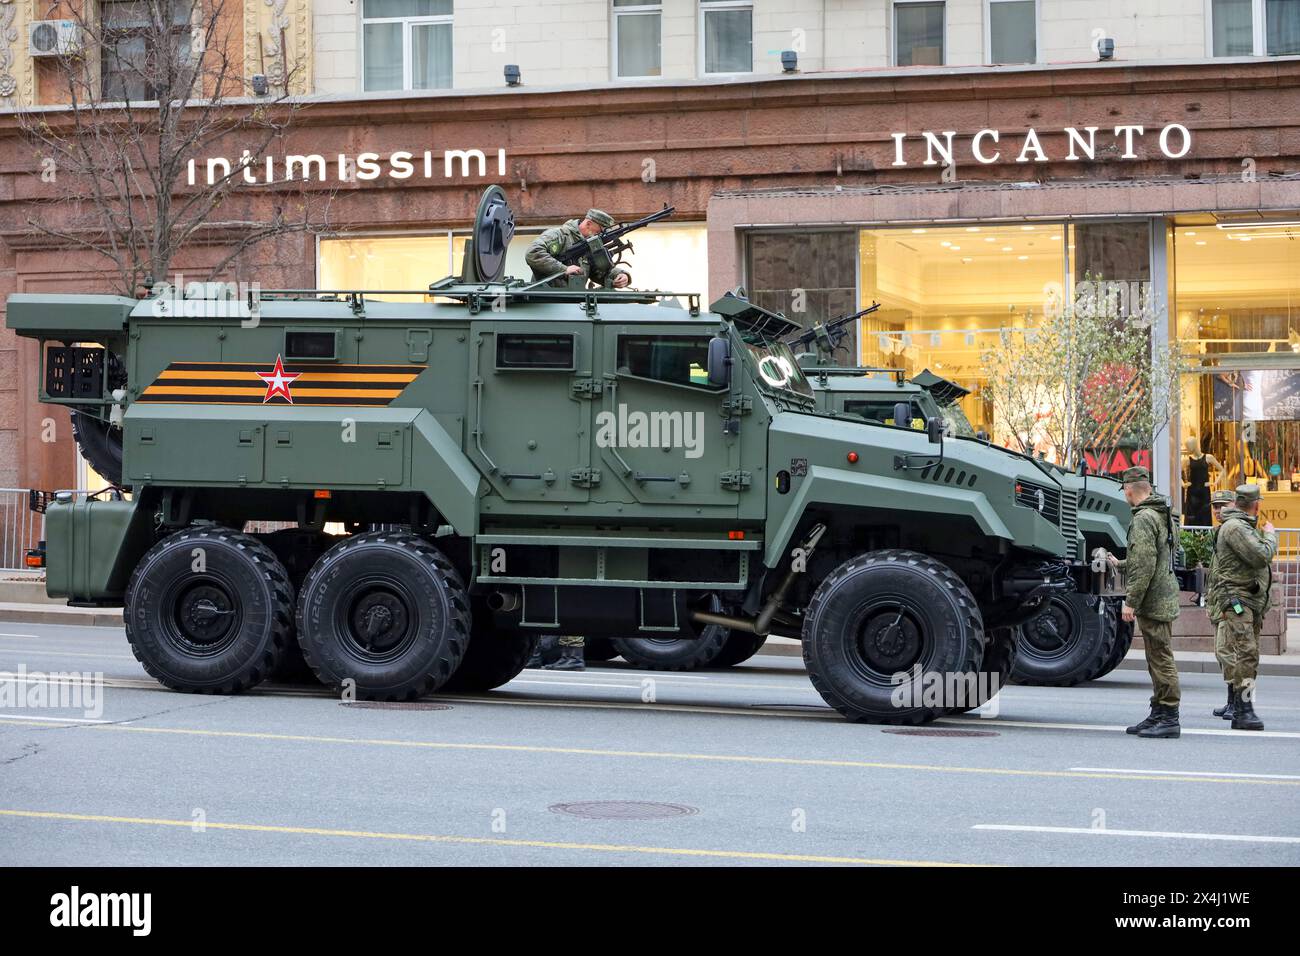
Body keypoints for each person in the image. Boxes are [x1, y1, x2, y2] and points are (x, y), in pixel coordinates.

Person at [1105, 466, 1181, 739]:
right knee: (1156, 657)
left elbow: (1146, 564)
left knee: (1160, 659)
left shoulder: (1143, 519)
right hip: (1163, 594)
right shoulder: (1162, 514)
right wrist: (1121, 562)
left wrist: (1130, 601)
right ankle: (1159, 713)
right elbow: (1154, 557)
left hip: (1154, 599)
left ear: (1128, 490)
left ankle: (1169, 716)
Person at [1206, 484, 1276, 731]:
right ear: (1256, 504)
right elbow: (1262, 555)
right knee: (1245, 652)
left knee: (1246, 652)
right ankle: (1243, 709)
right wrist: (1271, 534)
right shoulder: (1236, 528)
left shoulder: (1240, 526)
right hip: (1238, 602)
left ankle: (1241, 706)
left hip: (1247, 601)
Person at [524, 209, 632, 290]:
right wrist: (563, 269)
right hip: (547, 301)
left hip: (574, 303)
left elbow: (600, 270)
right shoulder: (560, 235)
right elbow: (533, 253)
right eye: (600, 230)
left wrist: (620, 276)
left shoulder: (592, 243)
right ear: (588, 224)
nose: (601, 235)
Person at [1206, 489, 1238, 718]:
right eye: (1215, 506)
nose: (1218, 510)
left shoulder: (1236, 531)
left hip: (1233, 602)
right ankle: (1232, 700)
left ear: (1234, 505)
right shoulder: (1221, 532)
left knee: (1228, 653)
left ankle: (1241, 703)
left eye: (1223, 505)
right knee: (1222, 653)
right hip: (1220, 601)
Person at [1181, 435, 1222, 526]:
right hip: (1192, 493)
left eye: (1189, 446)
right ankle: (1190, 537)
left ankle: (1205, 538)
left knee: (1205, 517)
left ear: (1195, 445)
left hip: (1204, 492)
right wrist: (1183, 484)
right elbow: (1176, 472)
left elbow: (1222, 470)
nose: (1187, 448)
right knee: (1192, 517)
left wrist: (1215, 483)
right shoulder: (1187, 460)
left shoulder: (1208, 457)